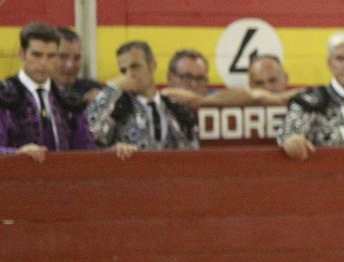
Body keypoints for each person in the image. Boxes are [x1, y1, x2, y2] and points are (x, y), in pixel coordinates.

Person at [0, 22, 94, 160]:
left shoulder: (68, 100)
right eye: (37, 55)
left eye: (51, 56)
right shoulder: (3, 97)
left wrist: (114, 152)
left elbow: (86, 149)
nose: (44, 63)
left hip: (62, 179)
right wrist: (16, 153)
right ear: (22, 54)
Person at [85, 40, 200, 153]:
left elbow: (191, 154)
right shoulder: (118, 108)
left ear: (152, 65)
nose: (129, 74)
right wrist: (112, 88)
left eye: (135, 66)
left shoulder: (176, 108)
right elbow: (89, 132)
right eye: (123, 70)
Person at [51, 26, 102, 103]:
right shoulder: (32, 94)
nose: (70, 65)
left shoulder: (93, 89)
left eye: (76, 58)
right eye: (62, 57)